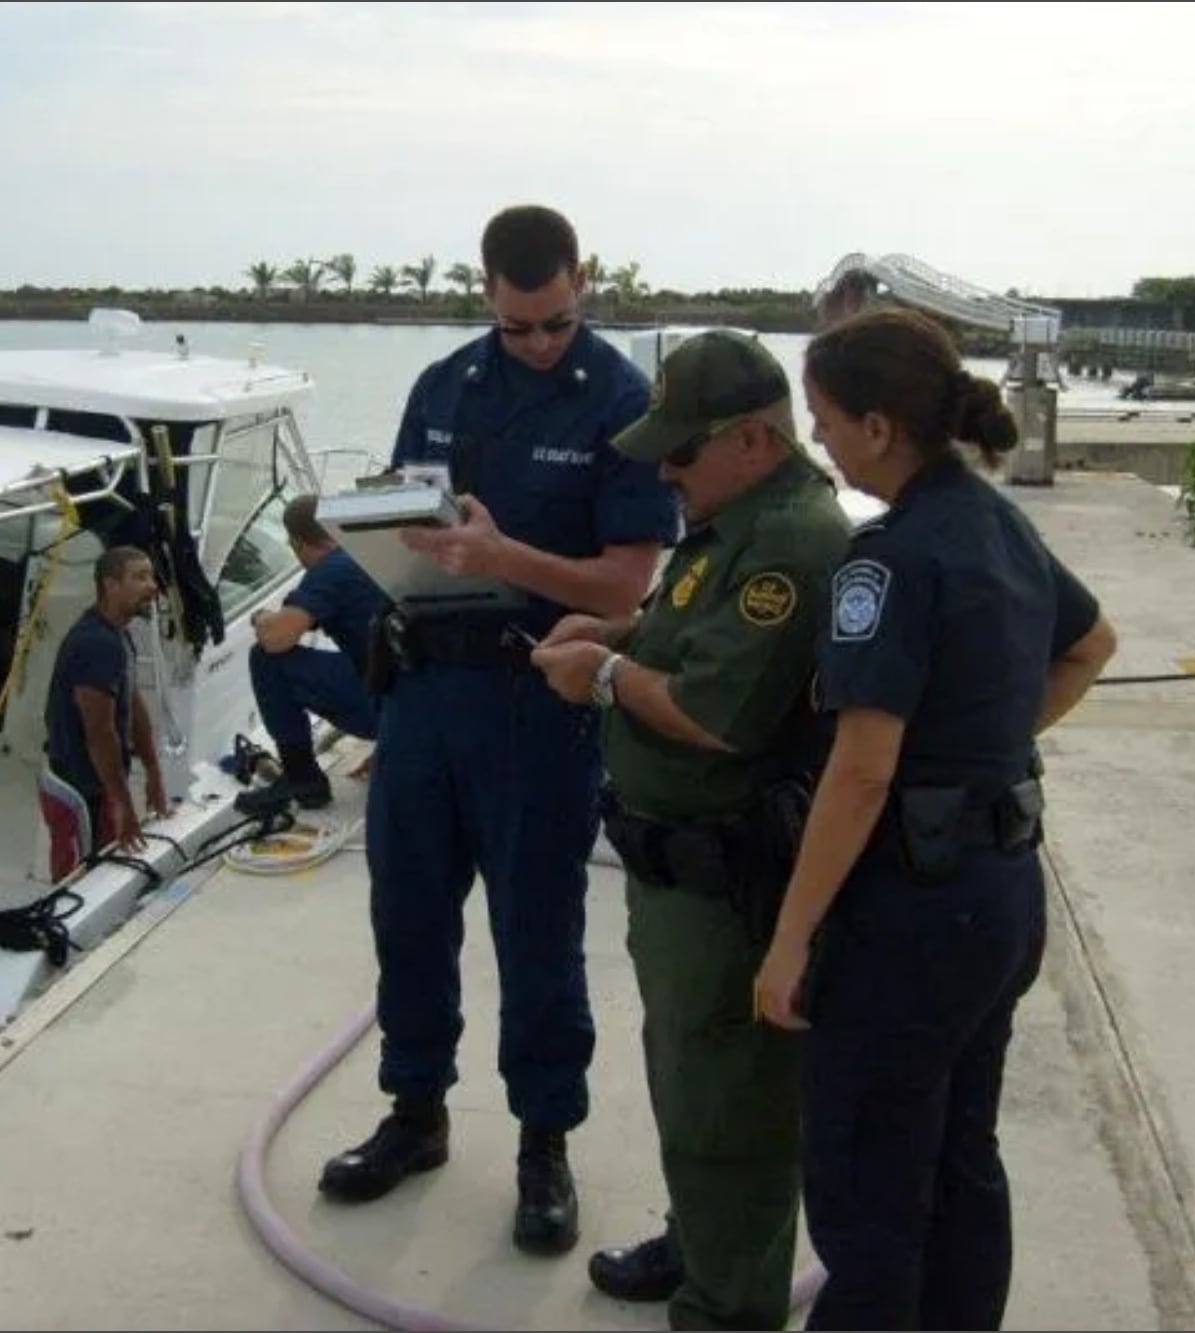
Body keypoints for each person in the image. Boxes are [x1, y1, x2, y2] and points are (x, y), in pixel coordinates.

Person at [315, 204, 678, 1259]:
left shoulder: (621, 403)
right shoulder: (440, 387)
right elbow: (394, 519)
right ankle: (414, 1111)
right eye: (518, 325)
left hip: (537, 702)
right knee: (409, 917)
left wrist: (501, 557)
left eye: (555, 322)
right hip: (424, 695)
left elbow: (625, 580)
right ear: (485, 293)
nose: (536, 343)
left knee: (536, 934)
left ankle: (542, 1142)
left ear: (582, 283)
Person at [753, 307, 1119, 1330]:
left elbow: (860, 772)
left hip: (909, 914)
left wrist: (788, 940)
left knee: (868, 1179)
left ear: (877, 426)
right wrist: (988, 747)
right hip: (998, 897)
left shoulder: (887, 559)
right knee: (959, 1159)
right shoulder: (997, 521)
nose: (819, 441)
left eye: (824, 420)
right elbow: (1089, 646)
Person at [529, 330, 852, 1328]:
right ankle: (703, 1243)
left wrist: (604, 676)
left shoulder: (788, 540)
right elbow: (691, 628)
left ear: (751, 438)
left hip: (725, 887)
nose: (662, 470)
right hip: (673, 876)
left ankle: (725, 1305)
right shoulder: (730, 520)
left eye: (680, 450)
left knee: (728, 1108)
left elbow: (718, 713)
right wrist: (619, 632)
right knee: (689, 1083)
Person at [234, 493, 388, 815]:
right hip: (418, 706)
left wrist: (260, 617)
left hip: (384, 708)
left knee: (266, 659)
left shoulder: (331, 570)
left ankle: (302, 778)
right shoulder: (370, 553)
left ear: (297, 542)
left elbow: (276, 639)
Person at [37, 545, 172, 882]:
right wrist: (123, 805)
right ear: (110, 585)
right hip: (78, 789)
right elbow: (100, 733)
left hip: (101, 786)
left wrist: (153, 771)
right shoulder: (96, 644)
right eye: (140, 577)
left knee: (105, 873)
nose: (152, 585)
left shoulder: (118, 633)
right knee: (79, 882)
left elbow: (132, 700)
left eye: (151, 576)